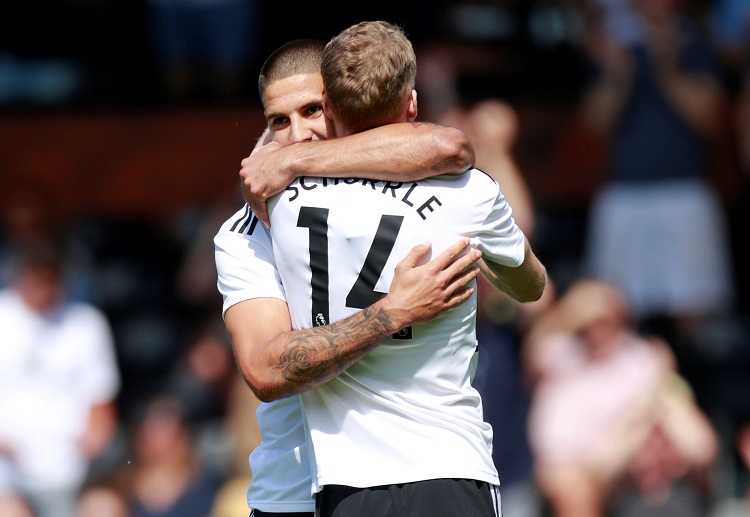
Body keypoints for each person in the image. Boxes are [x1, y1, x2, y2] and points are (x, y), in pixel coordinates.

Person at [265, 20, 547, 516]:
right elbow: (531, 286)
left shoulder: (284, 202)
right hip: (453, 466)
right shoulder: (472, 192)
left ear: (329, 108)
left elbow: (260, 169)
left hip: (349, 484)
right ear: (413, 103)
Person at [215, 38, 485, 516]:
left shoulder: (410, 184)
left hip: (401, 483)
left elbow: (451, 144)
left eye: (312, 110)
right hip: (291, 495)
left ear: (343, 107)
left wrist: (293, 161)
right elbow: (265, 369)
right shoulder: (245, 233)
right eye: (279, 121)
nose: (298, 134)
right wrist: (391, 313)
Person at [578, 0, 735, 359]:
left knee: (694, 312)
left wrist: (666, 63)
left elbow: (709, 117)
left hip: (685, 194)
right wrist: (620, 72)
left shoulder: (693, 42)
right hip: (625, 196)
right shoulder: (615, 45)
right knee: (618, 306)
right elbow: (595, 123)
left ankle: (697, 398)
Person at [523, 279, 718, 517]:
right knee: (570, 482)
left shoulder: (645, 360)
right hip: (582, 467)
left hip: (631, 466)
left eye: (607, 320)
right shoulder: (560, 357)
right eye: (590, 321)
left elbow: (701, 445)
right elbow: (536, 344)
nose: (599, 329)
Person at [0, 237, 121, 517]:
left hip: (69, 472)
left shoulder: (86, 324)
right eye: (35, 277)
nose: (41, 288)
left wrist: (88, 447)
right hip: (6, 473)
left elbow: (102, 406)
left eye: (49, 278)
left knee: (103, 509)